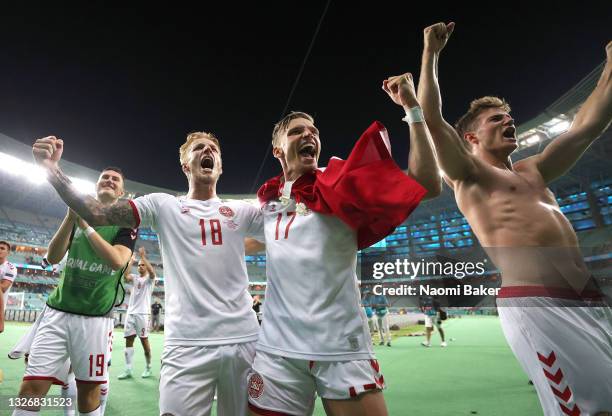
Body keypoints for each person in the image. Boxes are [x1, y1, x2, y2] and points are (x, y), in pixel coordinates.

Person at [418, 22, 612, 415]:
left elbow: (586, 127)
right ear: (470, 139)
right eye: (496, 120)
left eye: (509, 117)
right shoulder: (468, 177)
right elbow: (432, 119)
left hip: (591, 301)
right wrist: (431, 54)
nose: (509, 121)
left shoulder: (533, 170)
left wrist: (610, 67)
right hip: (540, 307)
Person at [248, 72, 441, 416]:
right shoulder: (267, 204)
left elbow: (428, 183)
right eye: (297, 131)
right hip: (276, 352)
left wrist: (412, 108)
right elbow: (229, 244)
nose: (309, 134)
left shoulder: (340, 182)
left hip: (340, 347)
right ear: (278, 149)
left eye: (314, 132)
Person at [32, 132, 264, 416]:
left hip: (244, 340)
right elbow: (96, 213)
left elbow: (290, 231)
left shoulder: (243, 212)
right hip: (185, 343)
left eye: (214, 148)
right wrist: (52, 170)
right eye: (199, 148)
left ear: (220, 166)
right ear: (185, 166)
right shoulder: (163, 205)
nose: (208, 151)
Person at [12, 167, 136, 416]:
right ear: (97, 185)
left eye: (115, 179)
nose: (109, 181)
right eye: (105, 177)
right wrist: (71, 218)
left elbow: (116, 261)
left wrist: (86, 227)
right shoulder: (77, 216)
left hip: (95, 319)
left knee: (88, 392)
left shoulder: (126, 223)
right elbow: (53, 256)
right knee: (31, 387)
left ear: (122, 192)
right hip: (56, 313)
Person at [118, 247, 156, 379]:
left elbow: (152, 272)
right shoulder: (134, 278)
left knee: (144, 341)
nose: (140, 267)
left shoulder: (150, 280)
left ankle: (148, 367)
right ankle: (128, 369)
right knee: (129, 340)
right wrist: (131, 261)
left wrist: (143, 257)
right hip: (131, 313)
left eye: (142, 265)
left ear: (146, 266)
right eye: (139, 265)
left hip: (143, 314)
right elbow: (125, 276)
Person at [0, 240, 17, 334]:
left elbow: (3, 288)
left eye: (2, 248)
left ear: (8, 252)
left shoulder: (10, 268)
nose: (0, 250)